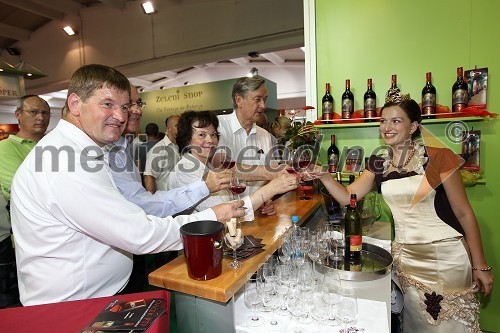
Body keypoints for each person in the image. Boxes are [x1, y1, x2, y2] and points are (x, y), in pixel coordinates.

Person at [10, 64, 243, 306]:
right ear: (75, 104)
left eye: (124, 107)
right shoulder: (66, 163)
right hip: (76, 306)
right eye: (107, 104)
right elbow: (139, 233)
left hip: (98, 295)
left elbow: (136, 206)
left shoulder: (84, 151)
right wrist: (210, 218)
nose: (121, 116)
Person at [318, 92, 493, 332]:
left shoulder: (440, 157)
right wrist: (324, 175)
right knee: (416, 324)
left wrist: (480, 266)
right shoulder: (378, 163)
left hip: (447, 256)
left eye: (396, 121)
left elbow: (464, 213)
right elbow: (350, 197)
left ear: (413, 126)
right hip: (407, 259)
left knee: (449, 326)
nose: (387, 127)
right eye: (383, 121)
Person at [168, 110, 298, 219]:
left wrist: (262, 201)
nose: (210, 140)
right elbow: (228, 211)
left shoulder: (209, 166)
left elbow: (234, 199)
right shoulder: (186, 171)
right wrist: (271, 189)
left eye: (213, 135)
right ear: (187, 139)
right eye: (202, 135)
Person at [0, 95, 51, 308]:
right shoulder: (6, 149)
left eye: (45, 113)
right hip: (31, 239)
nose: (40, 117)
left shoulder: (53, 145)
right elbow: (22, 193)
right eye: (34, 112)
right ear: (19, 115)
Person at [217, 76, 278, 215]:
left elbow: (270, 175)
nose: (263, 105)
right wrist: (271, 172)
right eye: (257, 99)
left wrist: (266, 198)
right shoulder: (217, 127)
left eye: (265, 99)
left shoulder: (264, 135)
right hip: (226, 217)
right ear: (239, 100)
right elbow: (223, 170)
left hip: (255, 214)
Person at [144, 115, 181, 193]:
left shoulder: (182, 147)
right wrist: (153, 201)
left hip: (180, 198)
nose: (182, 129)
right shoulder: (158, 149)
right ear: (169, 128)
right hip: (165, 199)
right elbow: (149, 177)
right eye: (178, 126)